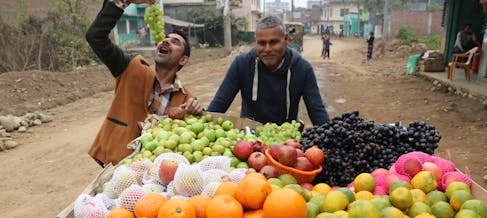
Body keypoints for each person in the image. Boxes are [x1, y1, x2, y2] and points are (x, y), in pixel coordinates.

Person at [86, 0, 203, 167]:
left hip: (155, 174)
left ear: (183, 59)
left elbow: (196, 133)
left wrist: (197, 111)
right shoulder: (131, 67)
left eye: (175, 42)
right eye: (165, 38)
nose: (166, 41)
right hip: (118, 165)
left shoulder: (187, 98)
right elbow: (95, 36)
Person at [207, 15, 330, 127]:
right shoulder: (241, 64)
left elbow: (317, 112)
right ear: (256, 42)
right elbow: (217, 107)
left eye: (274, 42)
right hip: (249, 141)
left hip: (287, 144)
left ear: (286, 39)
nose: (267, 49)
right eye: (261, 43)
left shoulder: (302, 69)